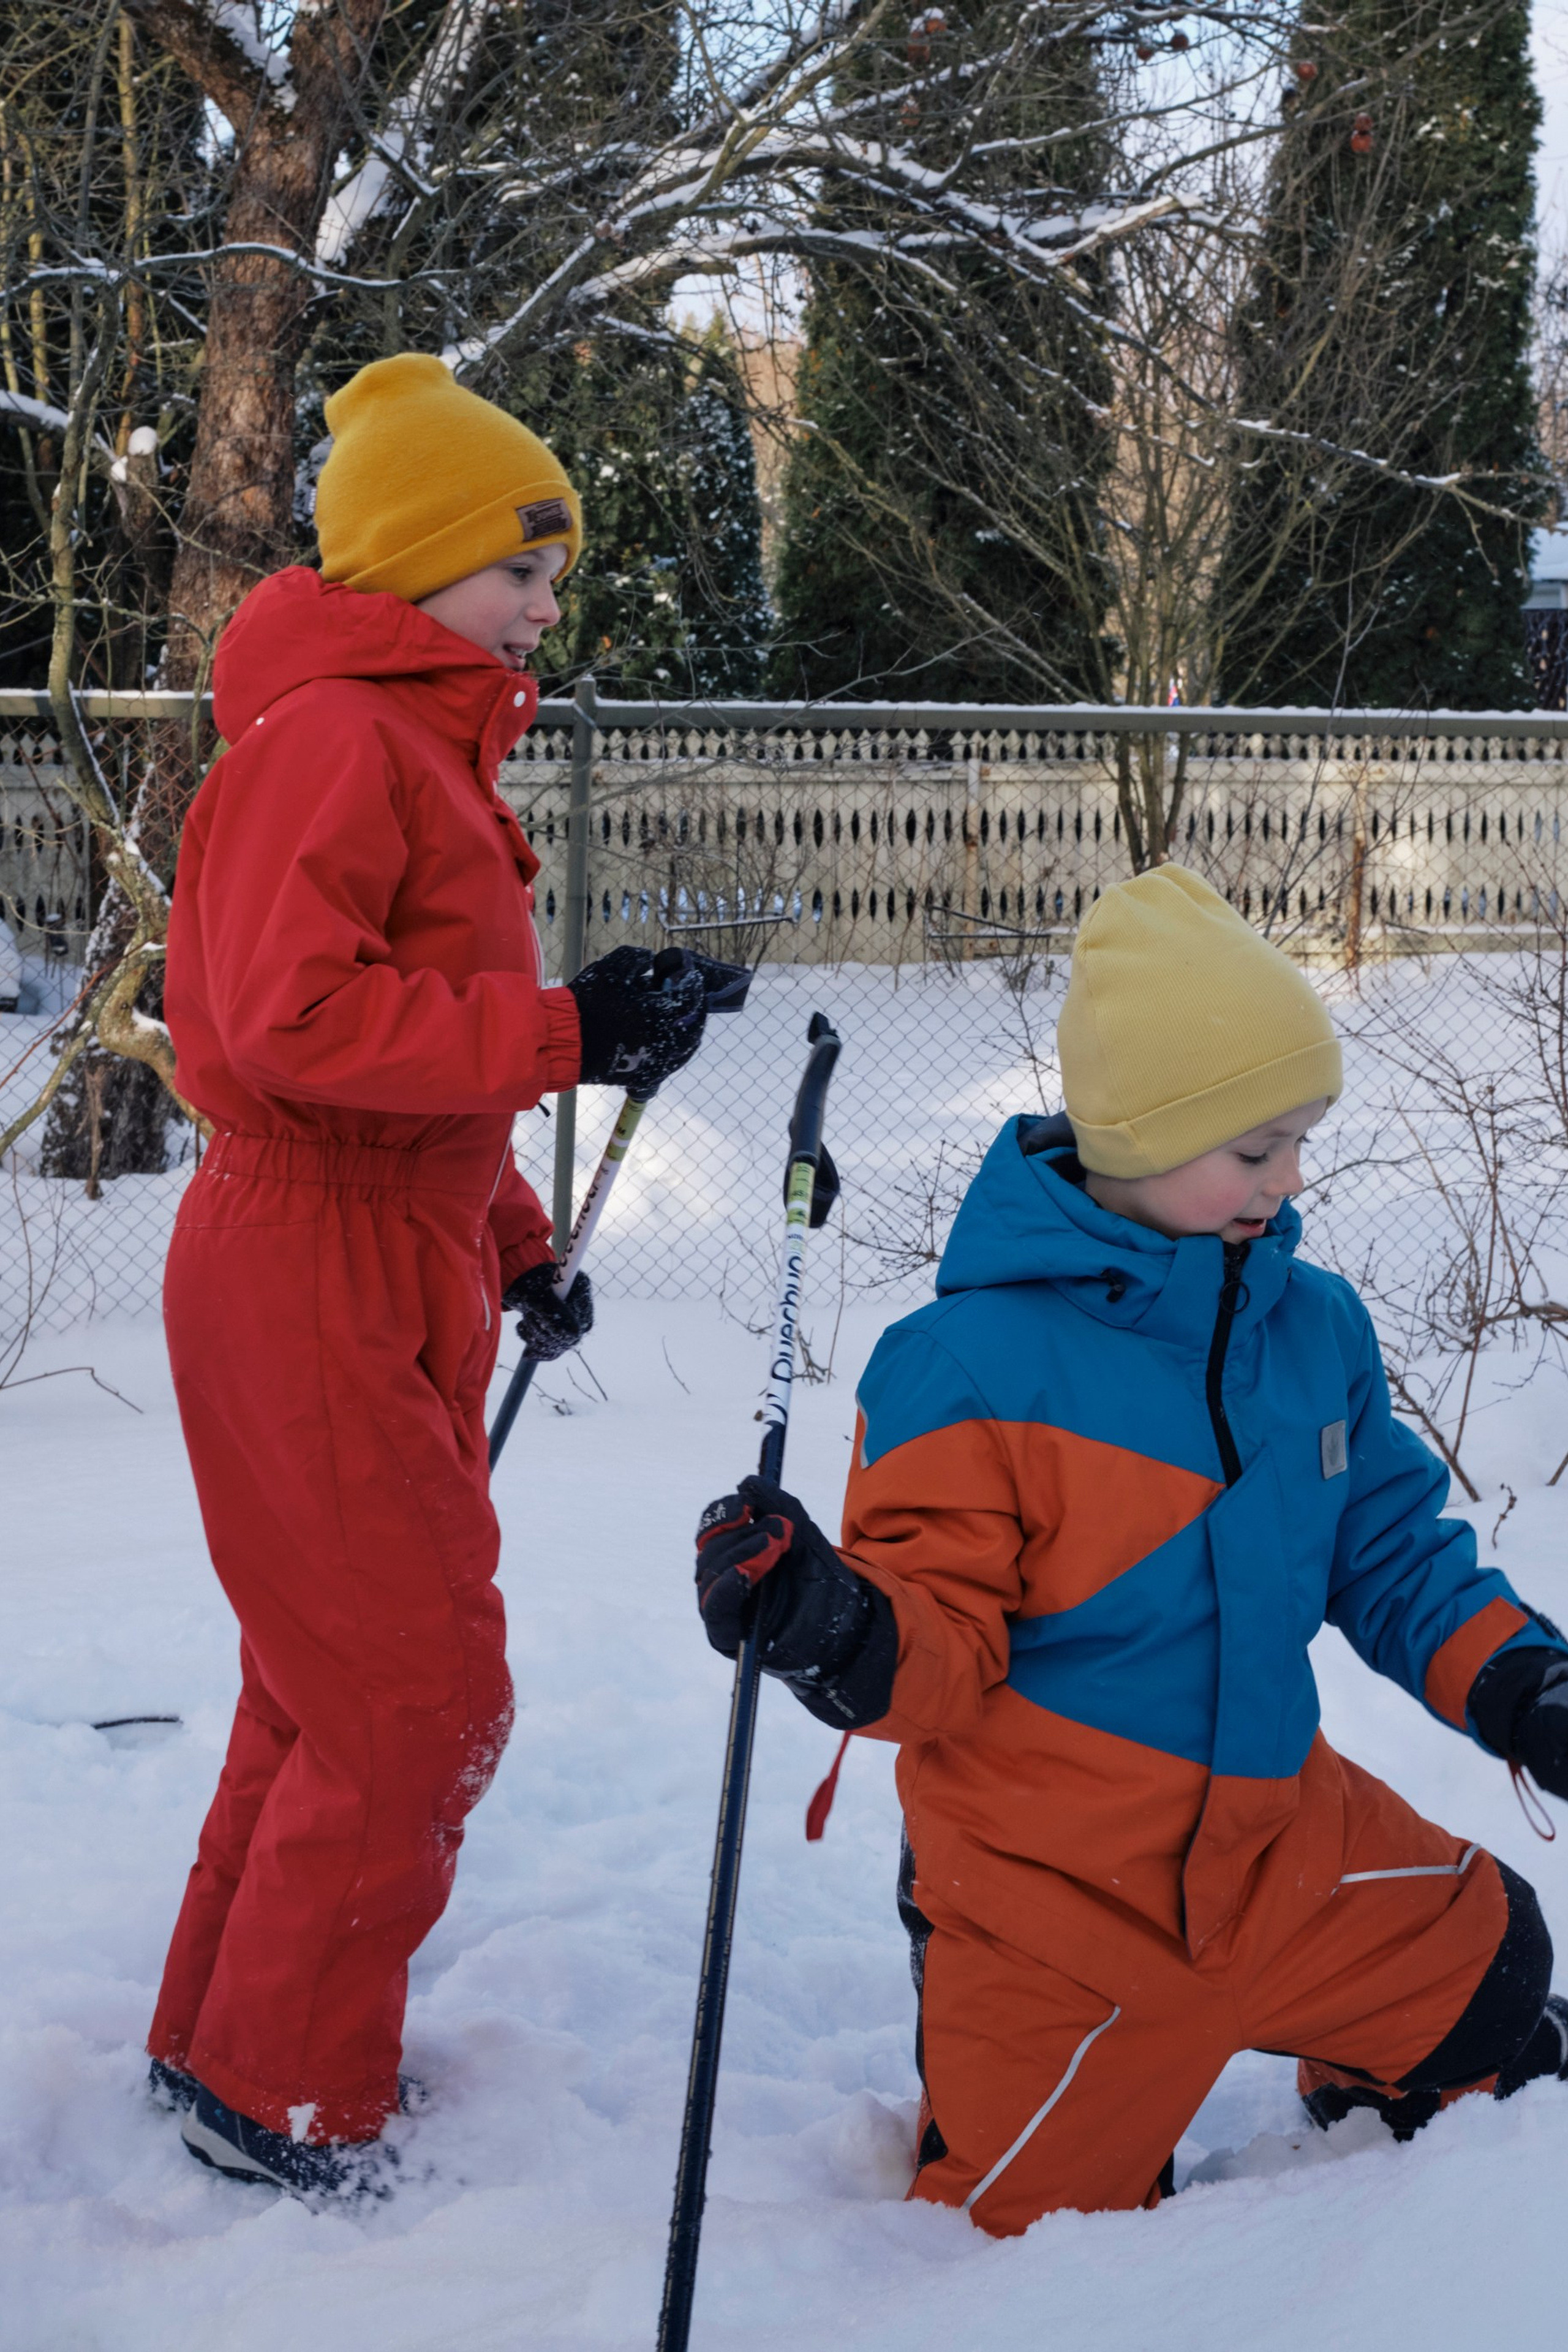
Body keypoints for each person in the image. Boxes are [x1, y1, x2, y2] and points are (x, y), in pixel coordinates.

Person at [694, 864, 1568, 2235]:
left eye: (1299, 1141)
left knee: (1499, 1970)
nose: (1287, 1182)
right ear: (1136, 1136)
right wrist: (830, 1623)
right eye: (1253, 1147)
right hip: (1056, 1910)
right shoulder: (966, 1369)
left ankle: (1335, 2047)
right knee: (1024, 2251)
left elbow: (1388, 1553)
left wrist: (1520, 1685)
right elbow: (936, 1644)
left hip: (1282, 1854)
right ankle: (1056, 2078)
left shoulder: (1309, 1327)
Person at [151, 353, 709, 2196]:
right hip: (301, 1268)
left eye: (553, 571)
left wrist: (518, 1245)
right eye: (521, 566)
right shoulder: (337, 741)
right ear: (412, 567)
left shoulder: (423, 749)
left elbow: (422, 1083)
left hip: (383, 1255)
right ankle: (282, 2094)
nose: (550, 602)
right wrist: (565, 1030)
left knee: (324, 1686)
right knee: (415, 1698)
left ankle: (224, 2041)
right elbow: (293, 1023)